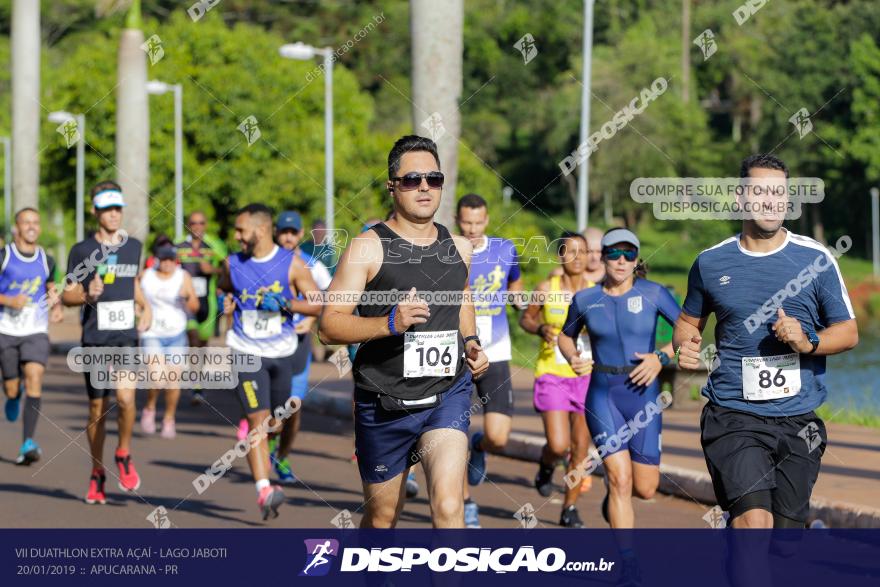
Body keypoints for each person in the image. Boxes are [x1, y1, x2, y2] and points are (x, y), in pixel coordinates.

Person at [674, 154, 858, 532]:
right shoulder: (710, 263)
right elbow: (686, 322)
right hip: (733, 414)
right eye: (760, 192)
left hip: (798, 419)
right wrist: (685, 343)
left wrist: (807, 341)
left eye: (779, 193)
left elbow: (848, 332)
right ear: (741, 199)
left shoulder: (816, 260)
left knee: (785, 541)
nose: (771, 200)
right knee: (754, 526)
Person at [319, 135, 489, 528]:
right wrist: (388, 323)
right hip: (383, 402)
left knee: (448, 507)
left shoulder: (459, 247)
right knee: (382, 518)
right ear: (392, 185)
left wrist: (472, 341)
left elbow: (461, 296)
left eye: (434, 178)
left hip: (446, 394)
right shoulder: (367, 247)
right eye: (412, 179)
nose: (425, 187)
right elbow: (328, 326)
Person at [559, 228, 679, 527]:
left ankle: (613, 498)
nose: (621, 260)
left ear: (637, 259)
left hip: (644, 398)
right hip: (603, 395)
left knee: (645, 487)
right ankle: (628, 564)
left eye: (629, 254)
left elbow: (688, 333)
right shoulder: (586, 299)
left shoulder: (654, 293)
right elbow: (565, 336)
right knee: (620, 479)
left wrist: (660, 357)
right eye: (614, 253)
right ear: (603, 257)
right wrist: (573, 357)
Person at [219, 203, 322, 520]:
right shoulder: (231, 263)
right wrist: (227, 301)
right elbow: (224, 288)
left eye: (240, 230)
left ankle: (271, 448)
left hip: (281, 352)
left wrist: (289, 303)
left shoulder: (290, 263)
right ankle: (264, 489)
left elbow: (317, 303)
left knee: (277, 422)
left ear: (260, 230)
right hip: (245, 350)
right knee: (257, 424)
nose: (236, 236)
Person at [62, 181, 152, 504]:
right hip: (96, 337)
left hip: (125, 335)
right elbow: (67, 294)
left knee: (126, 399)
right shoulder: (82, 250)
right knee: (97, 408)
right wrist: (87, 294)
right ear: (95, 211)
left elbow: (134, 284)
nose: (114, 215)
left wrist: (147, 307)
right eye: (107, 209)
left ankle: (124, 453)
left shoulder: (134, 246)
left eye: (118, 209)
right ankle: (97, 471)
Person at [454, 193, 523, 528]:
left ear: (487, 219)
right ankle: (466, 502)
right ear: (457, 220)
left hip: (496, 351)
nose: (472, 228)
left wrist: (521, 300)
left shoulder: (504, 249)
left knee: (498, 437)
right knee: (455, 435)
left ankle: (480, 447)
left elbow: (515, 285)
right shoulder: (447, 250)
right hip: (457, 355)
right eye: (466, 222)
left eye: (478, 222)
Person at [519, 231, 594, 527]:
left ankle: (569, 508)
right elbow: (527, 318)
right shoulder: (545, 288)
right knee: (559, 443)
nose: (578, 258)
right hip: (552, 374)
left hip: (586, 376)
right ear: (560, 255)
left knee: (580, 447)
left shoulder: (596, 292)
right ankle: (547, 463)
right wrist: (539, 329)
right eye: (571, 251)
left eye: (583, 252)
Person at [271, 210, 332, 485]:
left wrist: (309, 319)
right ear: (275, 232)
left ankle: (282, 456)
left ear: (299, 234)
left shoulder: (311, 265)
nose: (287, 237)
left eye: (292, 232)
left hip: (296, 342)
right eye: (283, 232)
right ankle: (269, 441)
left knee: (293, 406)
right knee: (271, 413)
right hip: (267, 345)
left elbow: (329, 297)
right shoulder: (263, 262)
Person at [0, 208, 63, 464]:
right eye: (26, 222)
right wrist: (8, 300)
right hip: (6, 329)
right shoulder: (4, 256)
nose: (32, 227)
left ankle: (28, 442)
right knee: (12, 386)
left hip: (36, 329)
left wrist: (56, 305)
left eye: (36, 222)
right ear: (17, 226)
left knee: (35, 375)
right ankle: (13, 394)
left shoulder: (46, 260)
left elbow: (51, 287)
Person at [138, 237, 199, 439]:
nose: (168, 263)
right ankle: (150, 407)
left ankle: (169, 419)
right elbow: (135, 299)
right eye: (164, 259)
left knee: (173, 381)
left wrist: (187, 297)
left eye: (171, 259)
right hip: (152, 333)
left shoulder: (183, 277)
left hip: (176, 334)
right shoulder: (146, 276)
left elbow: (195, 307)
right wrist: (139, 313)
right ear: (157, 259)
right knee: (157, 378)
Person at [175, 212, 224, 407]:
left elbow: (228, 268)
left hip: (207, 301)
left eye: (201, 223)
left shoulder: (214, 245)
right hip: (185, 302)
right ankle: (192, 382)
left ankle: (197, 381)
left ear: (206, 224)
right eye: (193, 223)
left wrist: (212, 270)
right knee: (192, 338)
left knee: (201, 345)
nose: (197, 226)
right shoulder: (178, 244)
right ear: (188, 225)